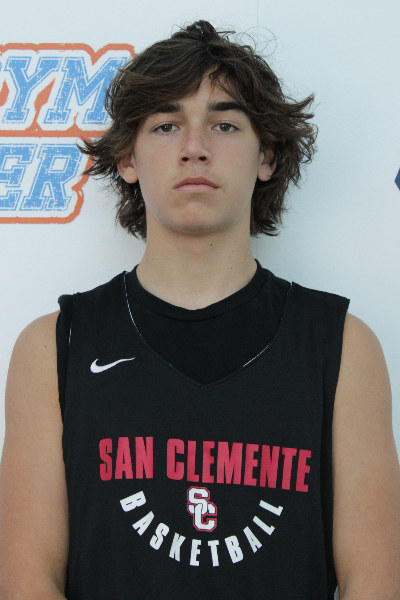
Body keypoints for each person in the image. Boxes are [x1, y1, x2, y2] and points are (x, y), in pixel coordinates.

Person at [0, 19, 399, 600]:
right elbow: (27, 581)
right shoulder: (54, 347)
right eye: (166, 125)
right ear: (128, 158)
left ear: (266, 156)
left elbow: (374, 584)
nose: (195, 147)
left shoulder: (343, 347)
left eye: (225, 124)